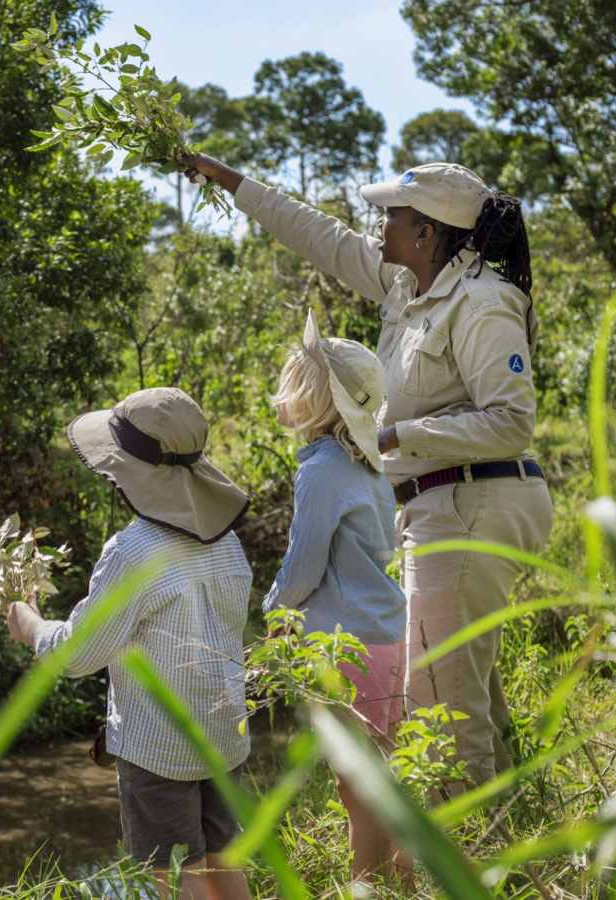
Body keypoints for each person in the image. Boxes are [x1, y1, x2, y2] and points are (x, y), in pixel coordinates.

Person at [178, 153, 554, 792]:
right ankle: (509, 841)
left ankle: (461, 867)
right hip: (441, 503)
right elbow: (321, 237)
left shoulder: (483, 303)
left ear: (426, 232)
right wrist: (232, 182)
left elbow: (510, 422)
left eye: (392, 216)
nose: (379, 226)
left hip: (475, 501)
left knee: (440, 705)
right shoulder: (408, 286)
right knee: (467, 689)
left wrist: (393, 437)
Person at [6, 386, 253, 900]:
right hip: (225, 736)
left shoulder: (132, 552)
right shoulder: (228, 543)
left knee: (165, 877)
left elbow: (76, 655)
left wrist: (29, 623)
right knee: (225, 865)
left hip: (158, 748)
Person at [264, 309, 409, 886]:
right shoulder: (370, 463)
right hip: (387, 634)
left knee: (355, 782)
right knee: (382, 772)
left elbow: (304, 563)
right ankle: (400, 878)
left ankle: (366, 882)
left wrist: (275, 610)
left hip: (345, 642)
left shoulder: (322, 468)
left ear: (316, 398)